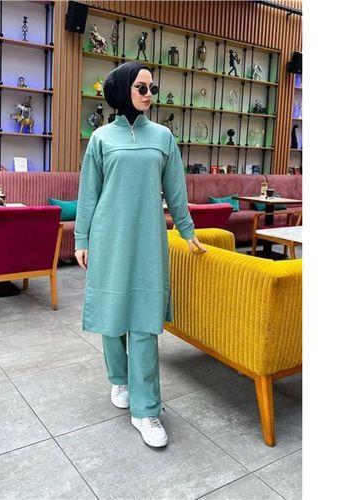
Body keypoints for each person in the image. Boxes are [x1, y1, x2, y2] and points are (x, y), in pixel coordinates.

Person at [74, 61, 207, 448]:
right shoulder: (101, 139)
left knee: (146, 322)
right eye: (142, 88)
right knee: (112, 315)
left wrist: (188, 231)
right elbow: (89, 193)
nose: (149, 95)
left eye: (152, 88)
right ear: (122, 90)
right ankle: (119, 379)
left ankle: (146, 410)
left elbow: (176, 190)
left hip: (149, 241)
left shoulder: (163, 137)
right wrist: (81, 238)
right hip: (108, 238)